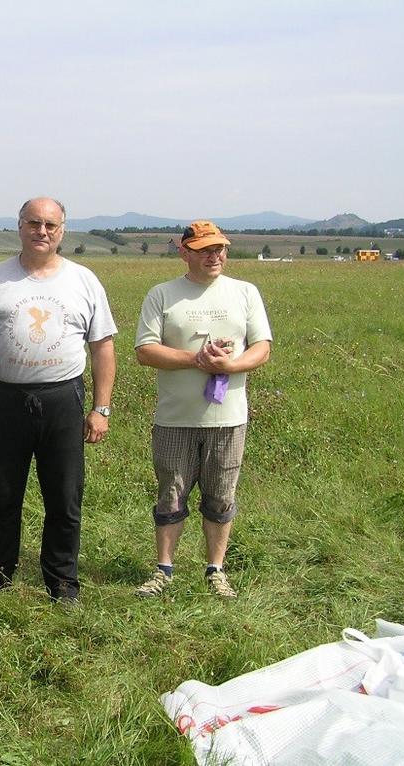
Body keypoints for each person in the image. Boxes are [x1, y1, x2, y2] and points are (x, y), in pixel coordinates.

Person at [0, 197, 117, 603]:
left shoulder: (83, 280)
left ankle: (62, 581)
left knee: (64, 497)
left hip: (63, 397)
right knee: (4, 493)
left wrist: (101, 408)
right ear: (20, 226)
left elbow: (102, 347)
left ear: (62, 230)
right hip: (6, 398)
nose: (41, 231)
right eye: (34, 223)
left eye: (50, 224)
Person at [133, 220, 272, 599]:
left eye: (220, 248)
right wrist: (195, 359)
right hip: (175, 419)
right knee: (170, 494)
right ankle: (164, 570)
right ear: (184, 251)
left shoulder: (244, 292)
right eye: (205, 249)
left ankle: (216, 570)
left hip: (227, 419)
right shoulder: (162, 295)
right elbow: (145, 350)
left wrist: (231, 366)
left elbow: (262, 346)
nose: (215, 256)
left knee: (221, 495)